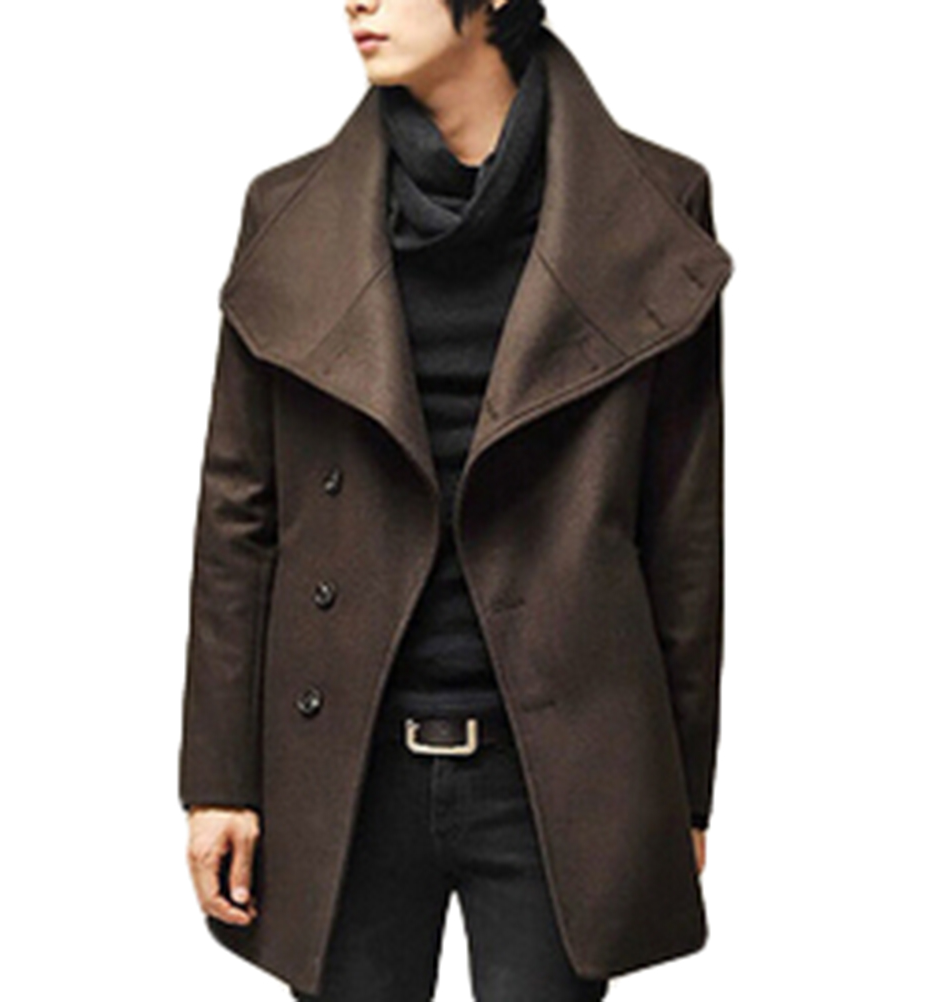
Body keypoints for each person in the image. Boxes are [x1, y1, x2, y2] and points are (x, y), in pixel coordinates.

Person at [179, 1, 734, 1000]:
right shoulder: (289, 212)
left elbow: (682, 527)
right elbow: (237, 516)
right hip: (341, 762)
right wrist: (219, 779)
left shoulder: (652, 207)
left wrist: (681, 792)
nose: (355, 1)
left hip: (563, 769)